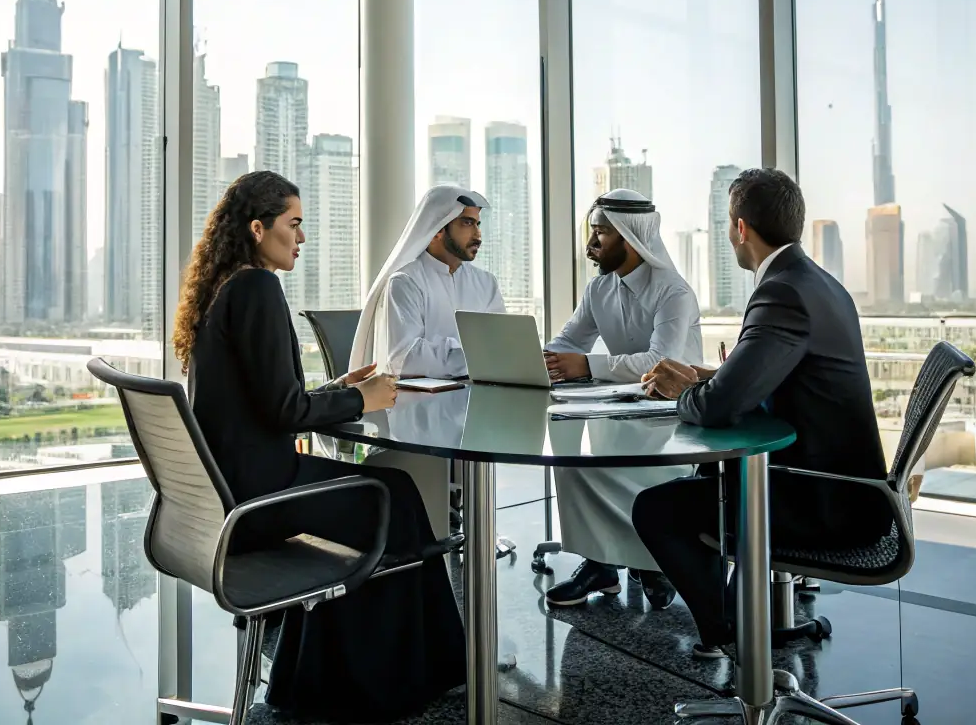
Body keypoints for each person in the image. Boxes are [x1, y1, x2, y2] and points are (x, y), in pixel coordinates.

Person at [175, 170, 465, 721]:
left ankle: (321, 673)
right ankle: (387, 683)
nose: (302, 237)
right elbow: (284, 411)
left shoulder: (224, 287)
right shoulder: (257, 287)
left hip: (233, 488)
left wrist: (339, 390)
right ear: (259, 229)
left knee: (390, 489)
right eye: (295, 224)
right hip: (261, 498)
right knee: (394, 495)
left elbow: (263, 399)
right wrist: (365, 400)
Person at [633, 168, 891, 659]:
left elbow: (716, 409)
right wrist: (713, 377)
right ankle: (739, 625)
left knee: (657, 508)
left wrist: (683, 392)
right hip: (853, 494)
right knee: (710, 482)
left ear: (741, 228)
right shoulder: (817, 282)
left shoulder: (781, 291)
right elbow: (779, 377)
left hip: (828, 505)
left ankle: (730, 636)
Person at [542, 189, 703, 610]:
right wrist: (542, 358)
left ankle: (650, 561)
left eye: (600, 235)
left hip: (672, 413)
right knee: (567, 450)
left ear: (629, 239)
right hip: (619, 407)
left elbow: (659, 361)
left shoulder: (673, 291)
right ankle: (600, 563)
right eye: (592, 233)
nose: (591, 245)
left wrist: (585, 366)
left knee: (617, 460)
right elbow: (568, 341)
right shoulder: (599, 289)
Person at [350, 185, 506, 537]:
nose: (477, 234)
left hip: (478, 408)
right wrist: (471, 355)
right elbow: (406, 358)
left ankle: (465, 519)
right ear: (438, 227)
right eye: (467, 224)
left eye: (478, 224)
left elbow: (501, 347)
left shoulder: (485, 284)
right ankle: (444, 516)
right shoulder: (406, 281)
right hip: (418, 413)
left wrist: (459, 354)